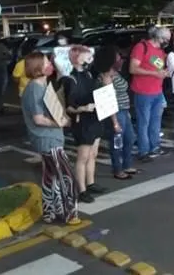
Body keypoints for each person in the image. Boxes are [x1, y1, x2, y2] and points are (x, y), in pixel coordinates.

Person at [20, 52, 79, 223]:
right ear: (37, 68)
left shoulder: (43, 86)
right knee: (66, 176)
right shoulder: (34, 90)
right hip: (47, 139)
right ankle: (69, 214)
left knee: (51, 177)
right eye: (46, 63)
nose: (50, 65)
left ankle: (50, 212)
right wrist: (59, 123)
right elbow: (38, 119)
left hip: (49, 138)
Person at [61, 45, 107, 203]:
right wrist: (83, 108)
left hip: (95, 117)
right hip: (82, 121)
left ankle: (91, 182)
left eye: (90, 57)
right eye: (86, 57)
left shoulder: (88, 74)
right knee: (83, 156)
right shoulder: (70, 79)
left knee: (93, 154)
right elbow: (69, 106)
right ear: (76, 58)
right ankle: (81, 189)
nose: (90, 60)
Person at [93, 46, 138, 180]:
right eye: (118, 57)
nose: (121, 59)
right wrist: (115, 122)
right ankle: (117, 169)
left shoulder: (115, 73)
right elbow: (108, 101)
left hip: (123, 111)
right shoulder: (106, 78)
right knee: (117, 142)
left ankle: (127, 164)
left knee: (129, 138)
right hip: (115, 113)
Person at [129, 26, 171, 162]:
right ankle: (144, 151)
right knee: (144, 122)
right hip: (143, 92)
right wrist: (155, 73)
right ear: (158, 37)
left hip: (157, 91)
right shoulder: (141, 47)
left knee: (155, 122)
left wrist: (164, 72)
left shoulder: (160, 51)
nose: (167, 41)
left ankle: (155, 147)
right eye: (166, 39)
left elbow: (158, 66)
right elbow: (133, 68)